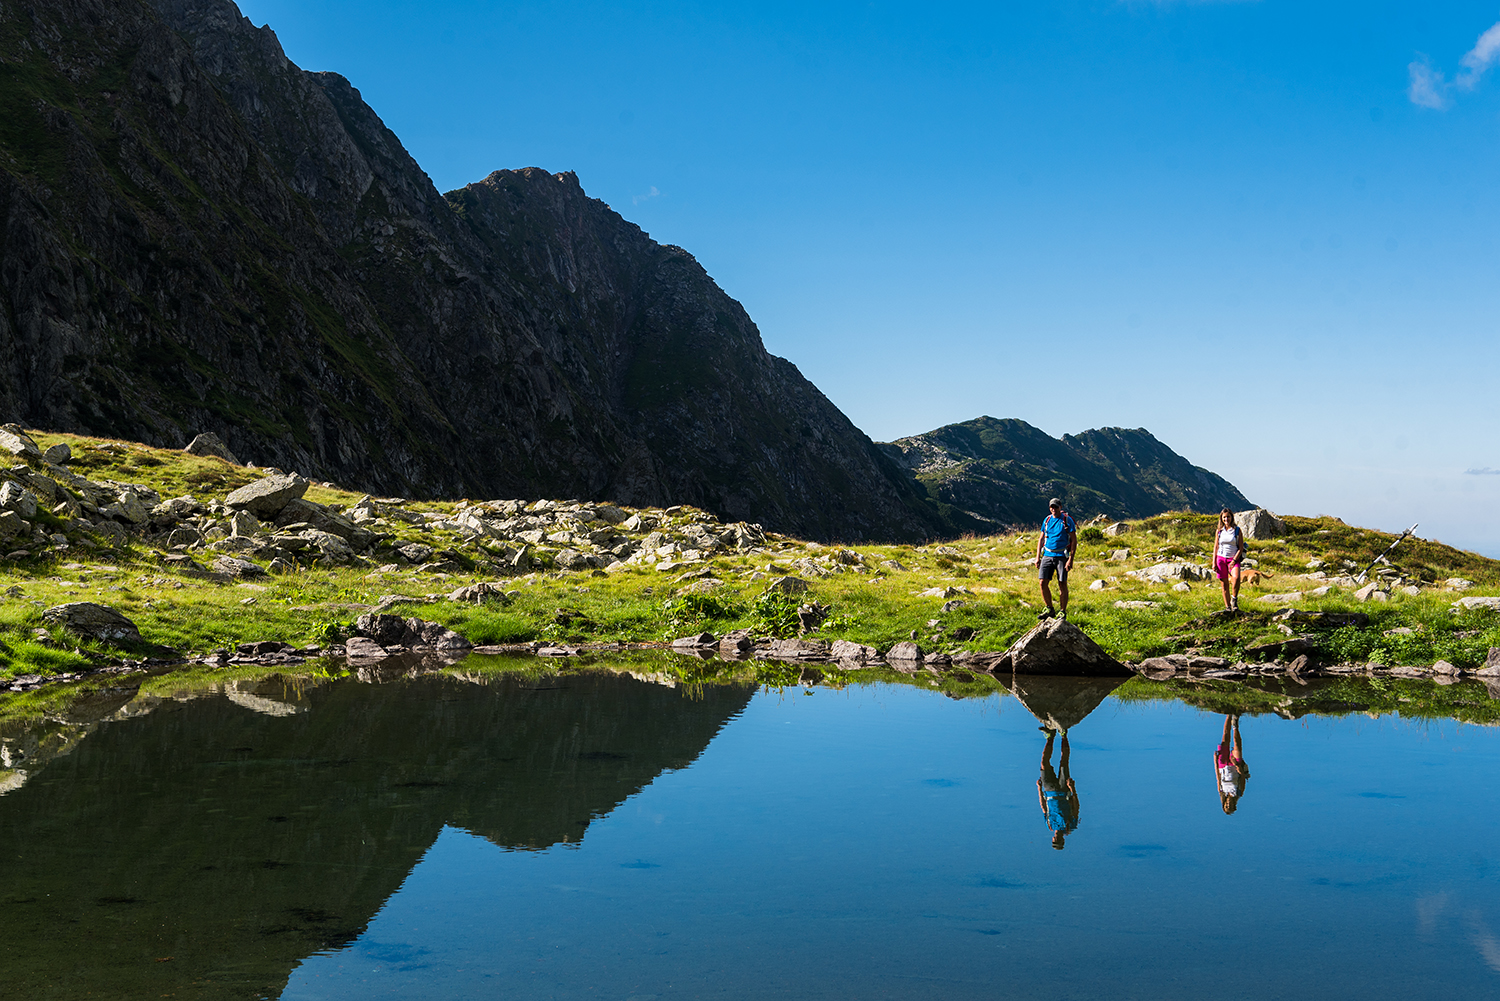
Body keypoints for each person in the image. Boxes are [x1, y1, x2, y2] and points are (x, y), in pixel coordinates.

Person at [1036, 727, 1080, 849]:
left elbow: (1044, 807)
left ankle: (1050, 737)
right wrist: (1072, 789)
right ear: (1063, 840)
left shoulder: (1049, 826)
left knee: (1044, 763)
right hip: (1064, 791)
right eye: (1058, 841)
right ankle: (1063, 735)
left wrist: (1039, 789)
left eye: (1054, 841)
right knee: (1064, 762)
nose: (1056, 838)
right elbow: (1076, 807)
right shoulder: (1070, 826)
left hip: (1049, 791)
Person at [1034, 498, 1076, 620]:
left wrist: (1070, 559)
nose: (1053, 509)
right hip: (1047, 555)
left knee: (1062, 583)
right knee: (1042, 582)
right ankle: (1049, 608)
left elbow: (1074, 541)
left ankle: (1062, 611)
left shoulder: (1067, 521)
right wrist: (1038, 557)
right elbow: (1041, 539)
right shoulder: (1047, 520)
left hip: (1061, 556)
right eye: (1052, 507)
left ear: (1060, 507)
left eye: (1056, 507)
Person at [1214, 714, 1250, 815]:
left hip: (1223, 765)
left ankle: (1228, 715)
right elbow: (1242, 777)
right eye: (1230, 806)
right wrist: (1237, 766)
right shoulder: (1239, 793)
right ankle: (1235, 725)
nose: (1228, 804)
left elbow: (1218, 777)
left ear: (1224, 803)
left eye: (1226, 805)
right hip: (1235, 766)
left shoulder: (1222, 791)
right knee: (1237, 746)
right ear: (1234, 805)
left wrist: (1215, 761)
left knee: (1225, 738)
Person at [1213, 507, 1248, 611]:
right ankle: (1228, 607)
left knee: (1236, 578)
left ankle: (1234, 599)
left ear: (1232, 517)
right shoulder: (1219, 531)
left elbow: (1241, 548)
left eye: (1228, 517)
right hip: (1220, 559)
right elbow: (1216, 547)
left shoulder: (1237, 530)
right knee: (1224, 585)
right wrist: (1214, 562)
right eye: (1224, 517)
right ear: (1221, 518)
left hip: (1233, 559)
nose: (1226, 519)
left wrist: (1234, 560)